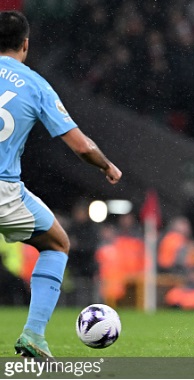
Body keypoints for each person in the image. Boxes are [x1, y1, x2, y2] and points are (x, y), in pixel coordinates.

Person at [0, 11, 122, 358]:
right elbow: (81, 146)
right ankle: (34, 335)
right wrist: (107, 166)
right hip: (4, 191)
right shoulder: (35, 84)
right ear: (25, 44)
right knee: (56, 243)